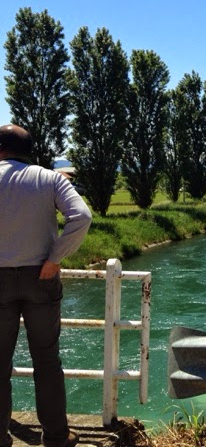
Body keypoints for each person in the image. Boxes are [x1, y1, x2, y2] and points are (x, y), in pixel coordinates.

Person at [0, 125, 92, 447]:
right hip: (41, 278)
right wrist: (55, 259)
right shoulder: (49, 178)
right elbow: (82, 216)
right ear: (28, 150)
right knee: (47, 361)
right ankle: (56, 436)